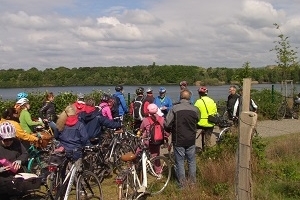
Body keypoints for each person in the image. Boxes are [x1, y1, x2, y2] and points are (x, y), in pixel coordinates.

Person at [164, 89, 200, 188]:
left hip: (178, 138)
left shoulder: (174, 109)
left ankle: (182, 184)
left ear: (180, 97)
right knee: (191, 161)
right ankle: (193, 183)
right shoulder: (195, 109)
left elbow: (167, 123)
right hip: (191, 139)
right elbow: (198, 120)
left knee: (179, 161)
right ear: (189, 98)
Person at [0, 122, 29, 198]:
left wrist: (20, 160)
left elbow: (25, 154)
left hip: (17, 176)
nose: (8, 142)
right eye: (6, 140)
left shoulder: (16, 142)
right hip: (3, 178)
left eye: (10, 139)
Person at [138, 103, 166, 174]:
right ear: (157, 110)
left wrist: (140, 134)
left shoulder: (145, 120)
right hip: (158, 140)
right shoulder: (162, 119)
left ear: (148, 111)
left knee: (138, 150)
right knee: (156, 155)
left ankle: (136, 166)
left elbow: (141, 129)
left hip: (148, 141)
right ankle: (158, 171)